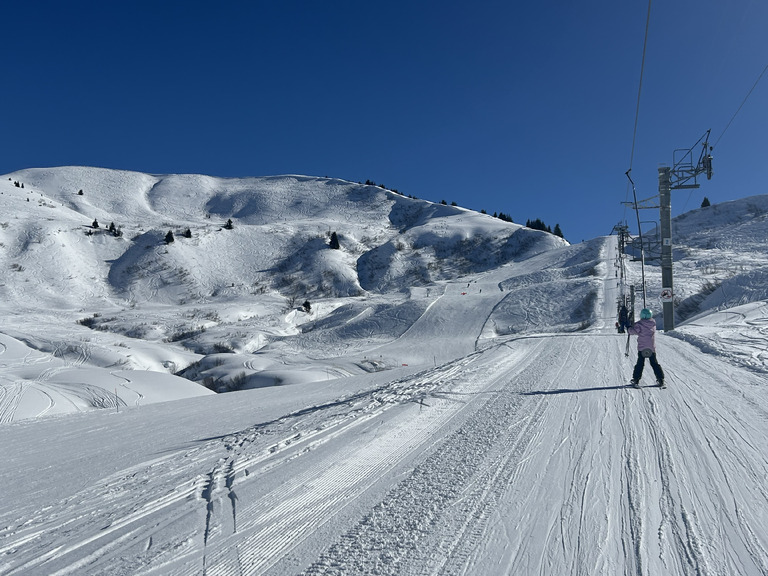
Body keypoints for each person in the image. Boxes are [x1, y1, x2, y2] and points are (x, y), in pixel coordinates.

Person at [627, 308, 665, 388]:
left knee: (640, 363)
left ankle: (636, 379)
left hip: (642, 348)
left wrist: (629, 328)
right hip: (651, 348)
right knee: (654, 363)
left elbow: (632, 331)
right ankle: (661, 379)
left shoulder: (639, 324)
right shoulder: (653, 324)